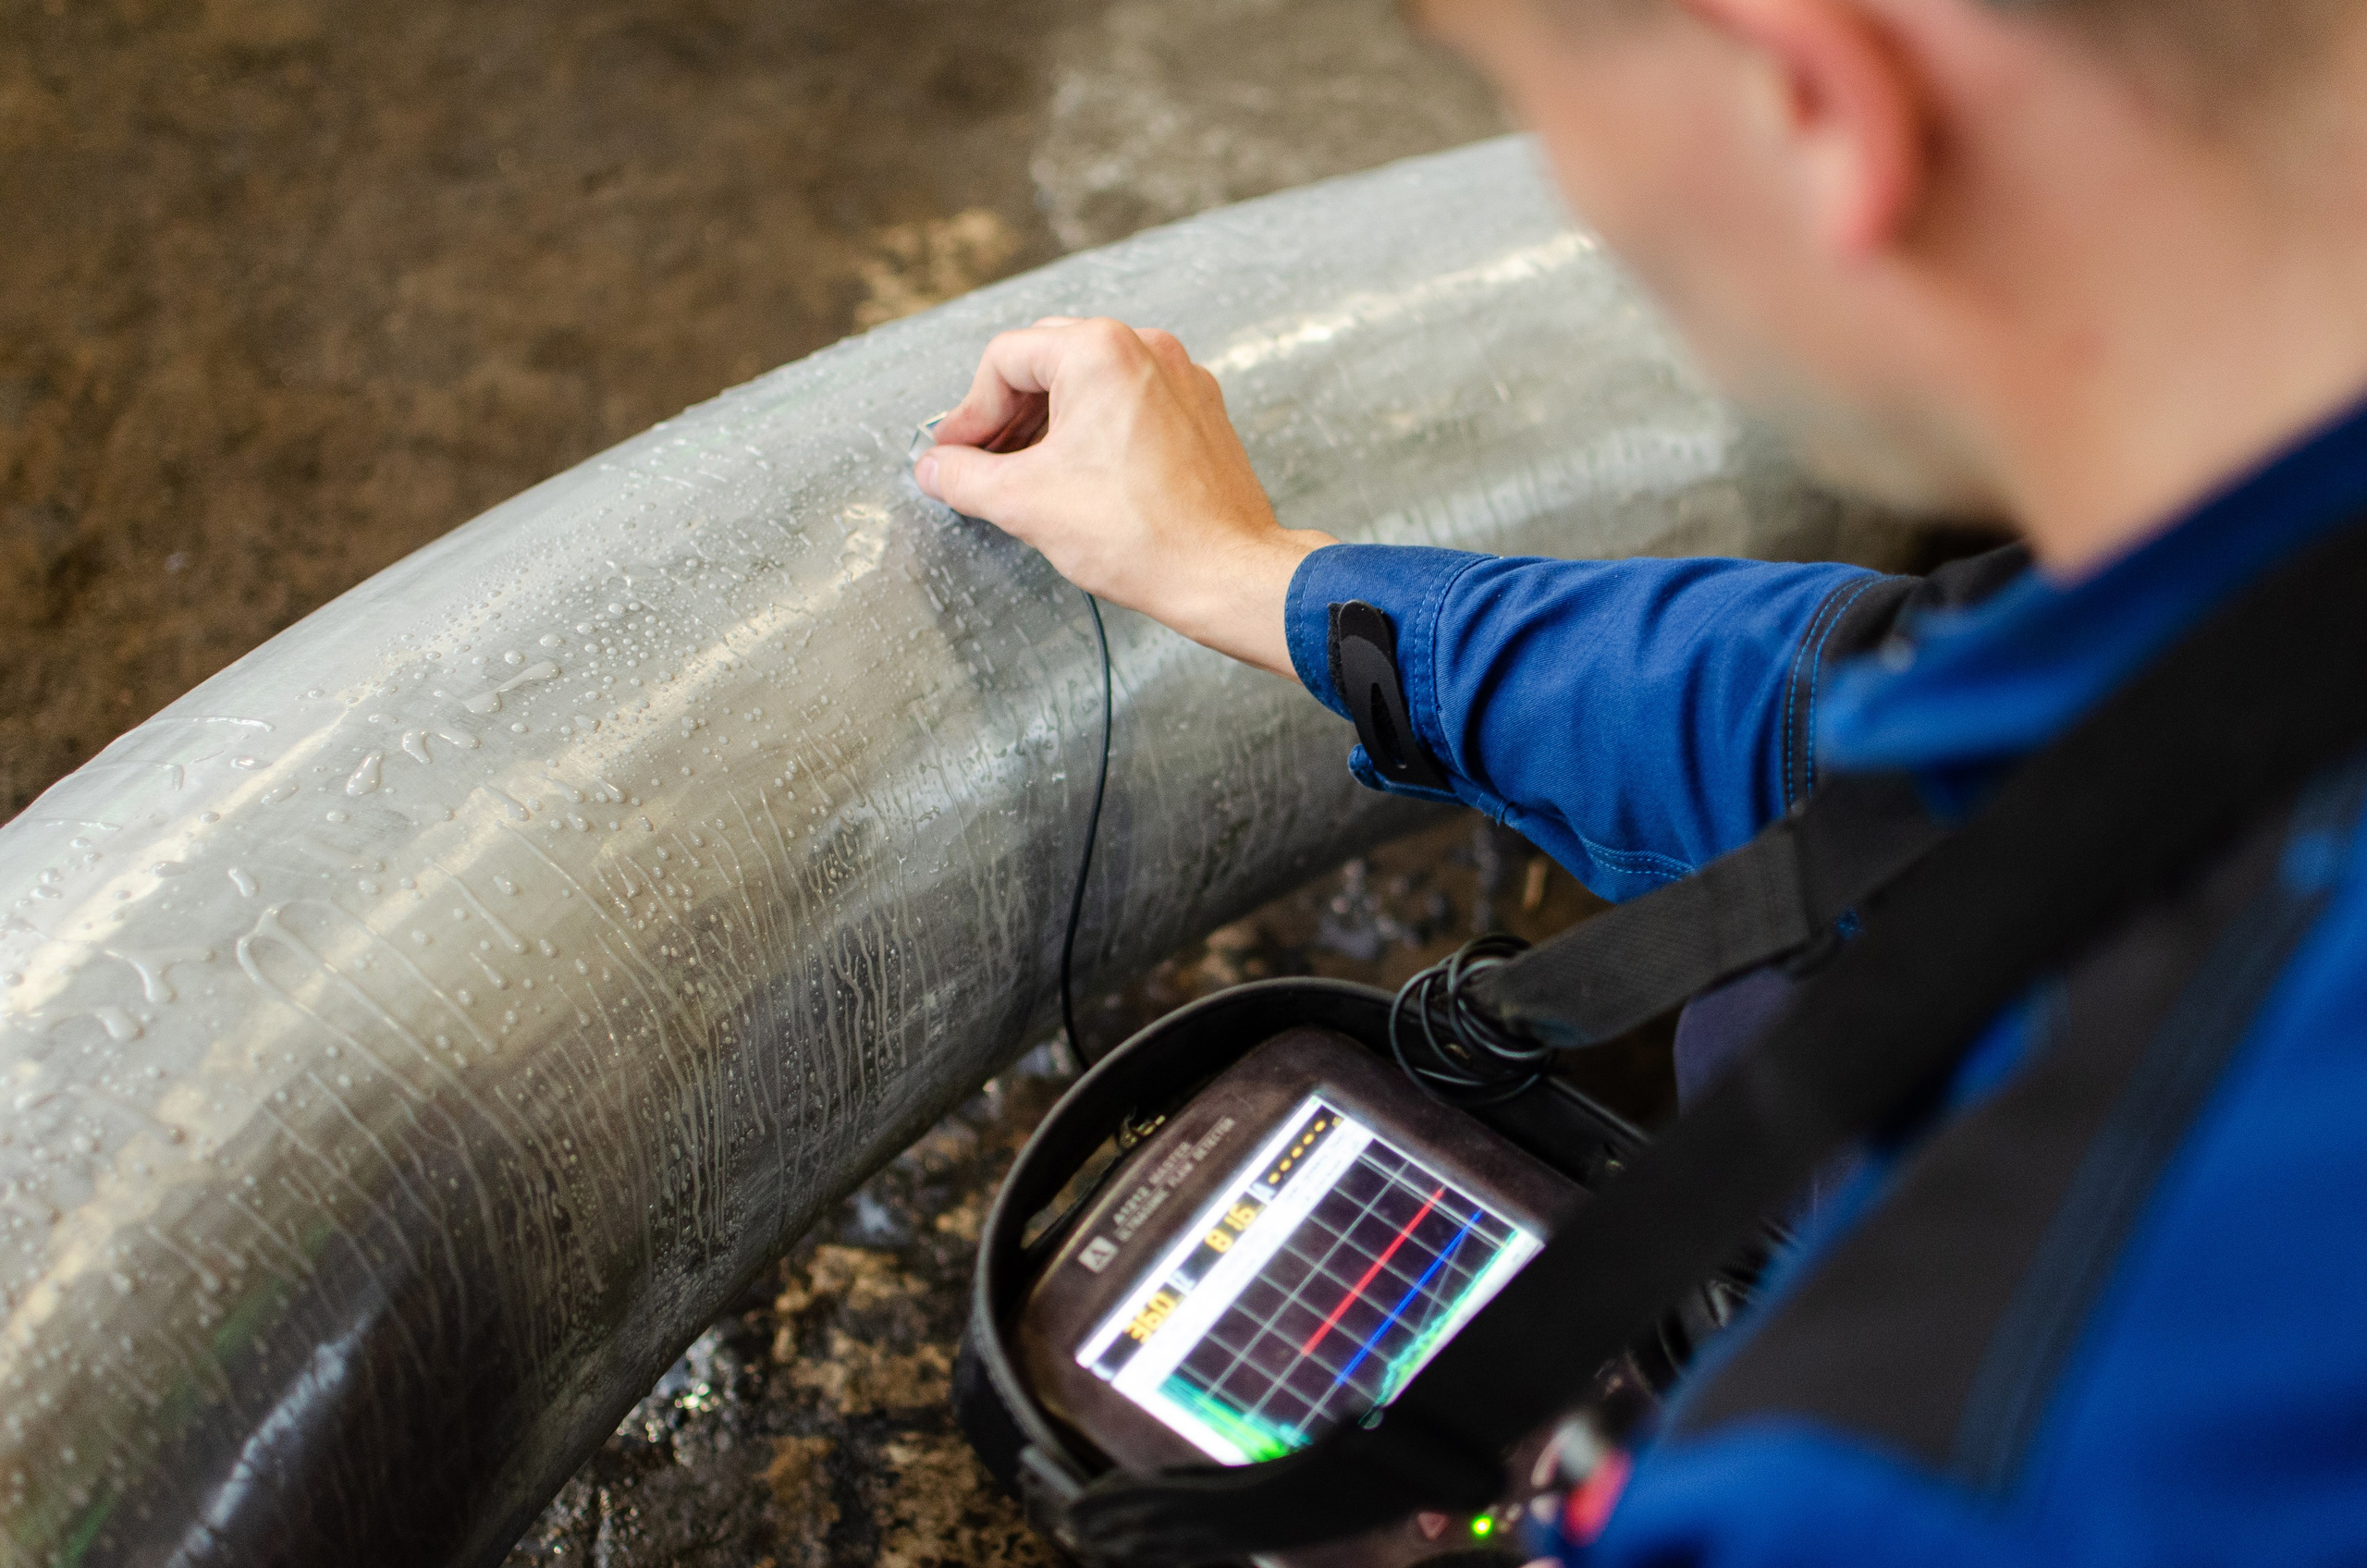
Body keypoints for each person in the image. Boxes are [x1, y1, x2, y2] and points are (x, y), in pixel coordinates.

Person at [916, 0, 2367, 1562]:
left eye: (1527, 101)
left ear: (1818, 101)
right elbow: (1880, 709)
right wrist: (1268, 580)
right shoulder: (2254, 575)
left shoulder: (1921, 1473)